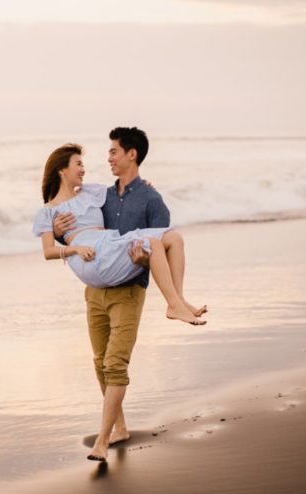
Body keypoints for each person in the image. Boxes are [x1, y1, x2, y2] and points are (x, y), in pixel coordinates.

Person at [35, 128, 206, 462]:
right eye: (79, 163)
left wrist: (142, 257)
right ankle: (120, 428)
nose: (105, 159)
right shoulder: (103, 193)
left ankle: (177, 302)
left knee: (115, 363)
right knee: (100, 363)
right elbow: (55, 229)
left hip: (127, 288)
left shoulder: (150, 198)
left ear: (132, 154)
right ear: (62, 169)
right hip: (95, 287)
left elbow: (156, 245)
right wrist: (60, 234)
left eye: (113, 151)